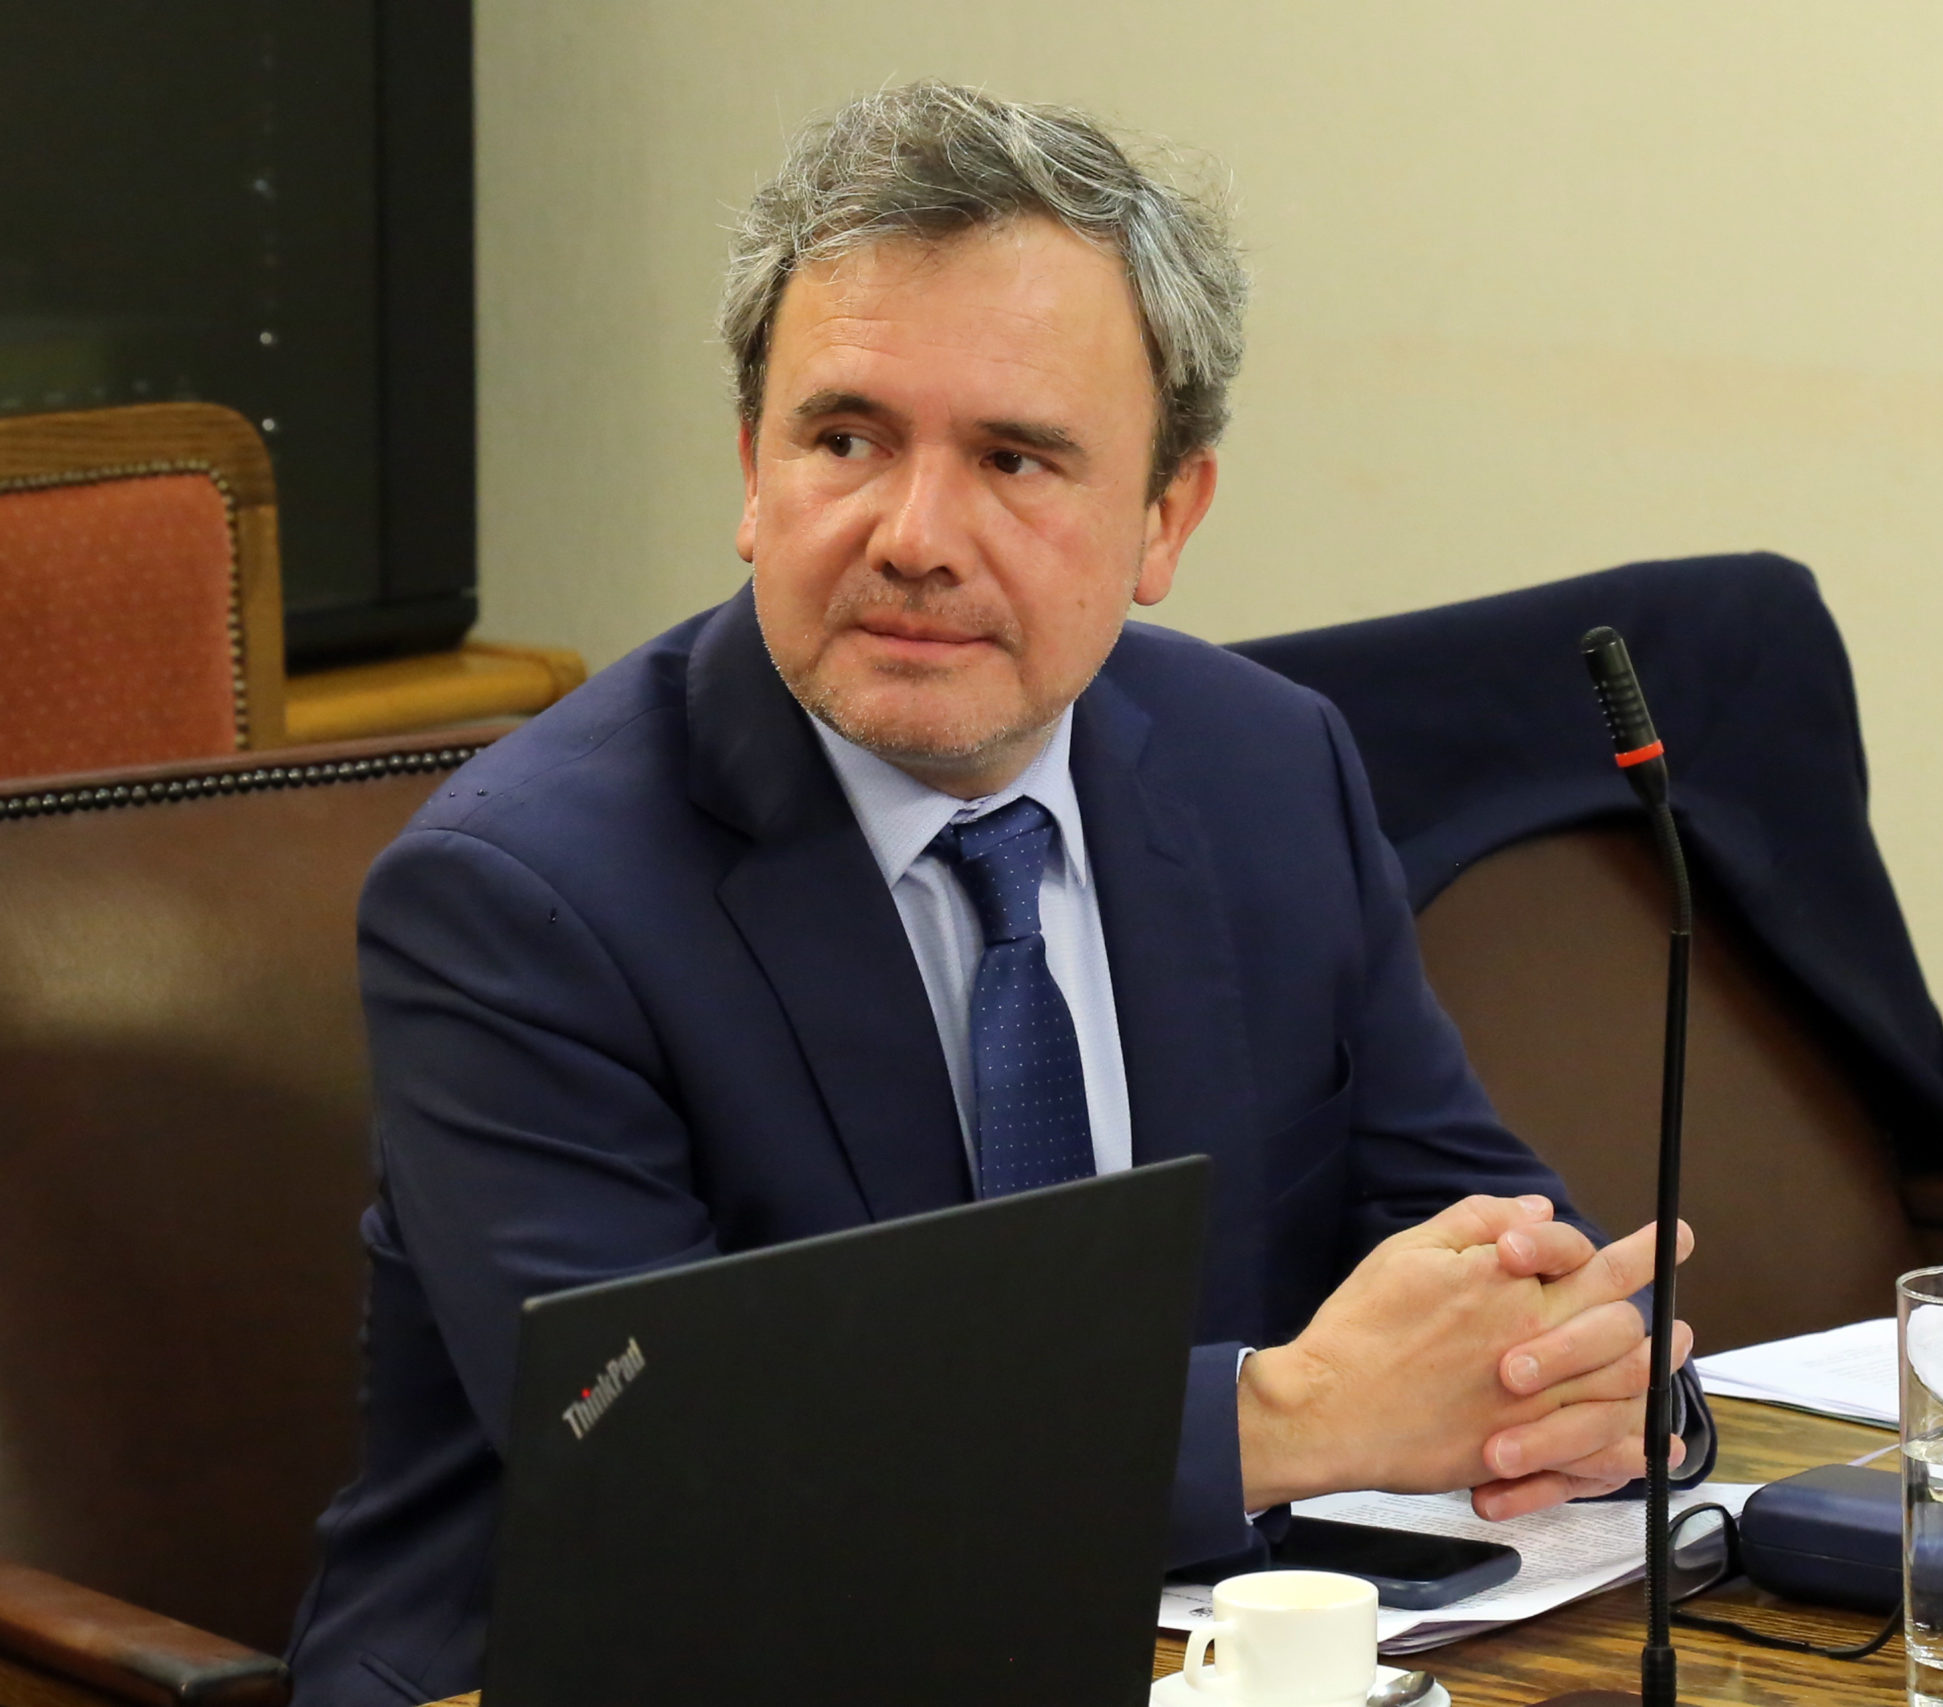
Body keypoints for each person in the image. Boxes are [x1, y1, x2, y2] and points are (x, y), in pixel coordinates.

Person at [285, 82, 1700, 1704]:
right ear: (751, 471)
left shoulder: (1263, 769)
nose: (914, 536)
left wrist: (1583, 1373)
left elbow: (1478, 1238)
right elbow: (667, 1467)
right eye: (846, 441)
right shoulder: (522, 898)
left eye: (1016, 458)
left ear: (1165, 517)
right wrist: (1289, 1418)